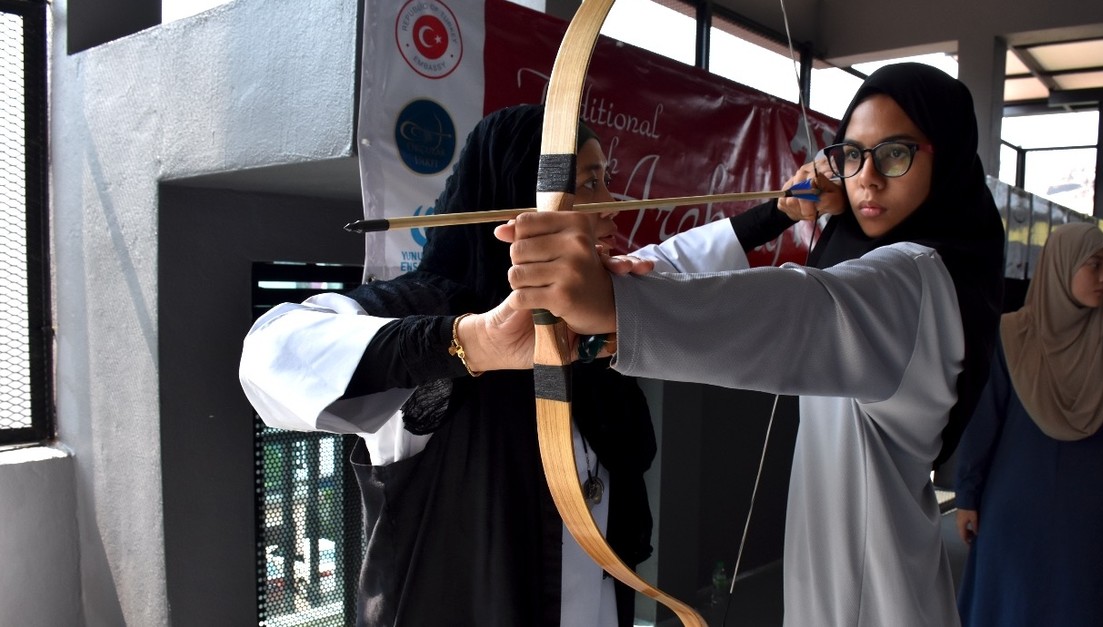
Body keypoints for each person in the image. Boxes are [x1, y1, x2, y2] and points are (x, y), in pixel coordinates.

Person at [238, 104, 806, 627]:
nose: (613, 204)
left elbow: (674, 259)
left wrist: (781, 211)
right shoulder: (431, 307)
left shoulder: (590, 306)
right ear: (519, 208)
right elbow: (271, 350)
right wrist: (475, 343)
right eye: (587, 184)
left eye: (607, 180)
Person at [501, 62, 1006, 626]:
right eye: (852, 156)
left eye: (895, 153)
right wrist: (779, 212)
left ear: (950, 158)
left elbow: (804, 310)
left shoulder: (918, 281)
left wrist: (617, 307)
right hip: (855, 573)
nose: (867, 178)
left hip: (876, 597)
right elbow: (674, 272)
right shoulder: (896, 263)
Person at [954, 223, 1103, 627]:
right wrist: (967, 495)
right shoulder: (1013, 334)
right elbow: (983, 422)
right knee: (1008, 604)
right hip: (1012, 506)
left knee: (1076, 605)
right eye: (1094, 266)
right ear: (1061, 267)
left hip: (1089, 512)